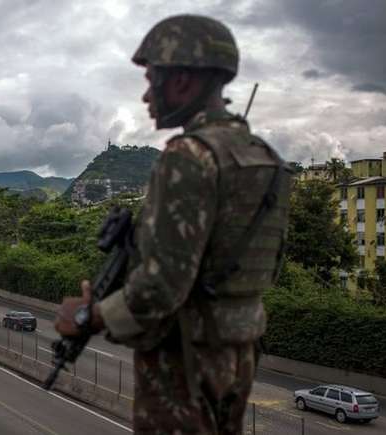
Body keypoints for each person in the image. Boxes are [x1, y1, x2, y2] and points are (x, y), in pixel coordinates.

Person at [55, 15, 292, 434]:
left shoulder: (189, 156)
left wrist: (89, 315)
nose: (147, 95)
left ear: (181, 79)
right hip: (239, 351)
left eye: (152, 80)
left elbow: (160, 288)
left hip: (185, 358)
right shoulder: (267, 160)